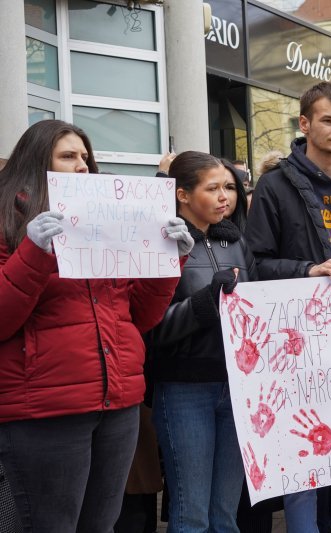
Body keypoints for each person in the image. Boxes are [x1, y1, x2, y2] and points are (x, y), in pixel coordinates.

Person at [0, 119, 192, 531]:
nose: (83, 166)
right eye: (69, 156)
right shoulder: (7, 223)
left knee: (100, 525)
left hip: (117, 403)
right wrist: (33, 251)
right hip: (46, 410)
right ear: (37, 163)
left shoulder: (105, 225)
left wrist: (167, 260)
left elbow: (139, 317)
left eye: (85, 157)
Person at [246, 81, 331, 533]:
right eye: (328, 120)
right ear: (304, 124)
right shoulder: (274, 185)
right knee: (304, 461)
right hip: (300, 344)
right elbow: (255, 263)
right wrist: (307, 269)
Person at [147, 151, 256, 531]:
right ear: (182, 195)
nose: (225, 195)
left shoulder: (235, 242)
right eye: (213, 188)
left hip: (237, 389)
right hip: (184, 389)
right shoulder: (161, 242)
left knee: (226, 514)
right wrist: (207, 301)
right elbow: (153, 328)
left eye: (229, 186)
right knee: (191, 513)